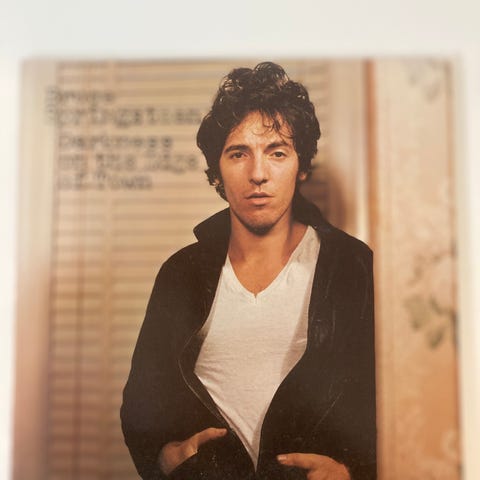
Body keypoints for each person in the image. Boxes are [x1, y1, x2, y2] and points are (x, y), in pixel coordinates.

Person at [121, 62, 376, 480]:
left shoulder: (353, 267)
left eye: (277, 152)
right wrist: (167, 459)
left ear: (301, 165)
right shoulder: (180, 274)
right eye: (238, 154)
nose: (258, 174)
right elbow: (140, 407)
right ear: (218, 171)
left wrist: (353, 473)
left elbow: (389, 398)